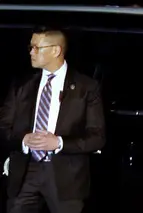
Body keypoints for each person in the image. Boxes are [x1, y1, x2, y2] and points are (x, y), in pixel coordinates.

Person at [0, 27, 106, 213]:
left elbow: (97, 137)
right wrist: (24, 140)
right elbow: (3, 126)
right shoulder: (22, 85)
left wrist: (59, 142)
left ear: (56, 50)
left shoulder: (86, 87)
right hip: (26, 171)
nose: (31, 52)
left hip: (66, 176)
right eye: (30, 47)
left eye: (36, 47)